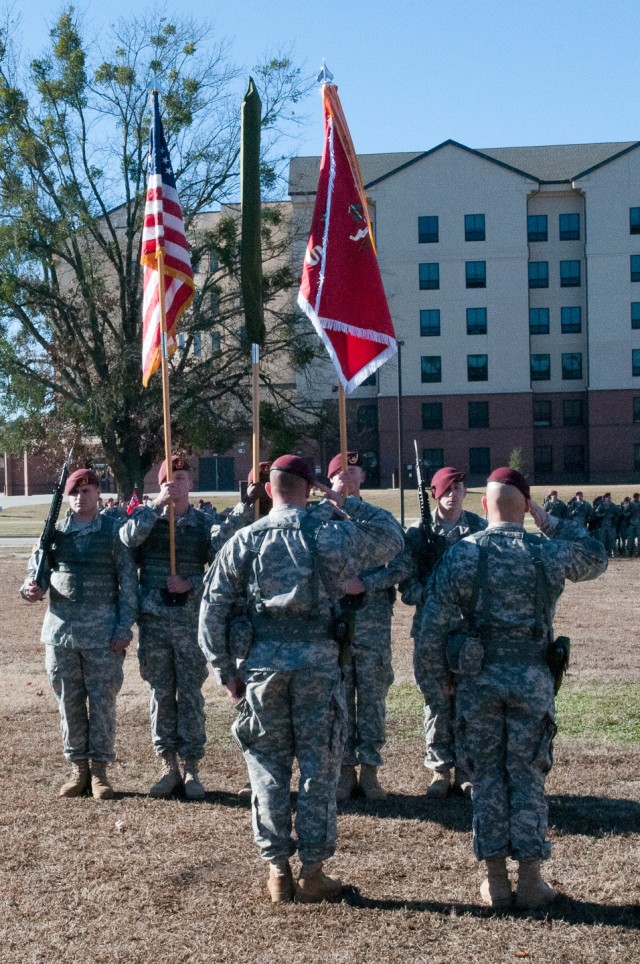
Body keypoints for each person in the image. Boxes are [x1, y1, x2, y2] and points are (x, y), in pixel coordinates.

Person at [198, 455, 404, 903]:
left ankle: (276, 869)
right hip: (317, 663)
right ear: (309, 488)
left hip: (262, 666)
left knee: (267, 767)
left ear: (269, 490)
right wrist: (344, 500)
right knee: (318, 766)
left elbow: (211, 607)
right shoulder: (329, 534)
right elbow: (391, 538)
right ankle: (312, 870)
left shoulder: (244, 540)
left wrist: (224, 670)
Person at [415, 467, 607, 909]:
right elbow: (595, 555)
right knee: (526, 775)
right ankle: (532, 879)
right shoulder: (548, 552)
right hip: (531, 680)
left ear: (484, 506)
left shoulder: (462, 554)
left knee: (485, 778)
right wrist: (549, 519)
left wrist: (438, 685)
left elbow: (431, 629)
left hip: (476, 683)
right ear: (527, 506)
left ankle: (497, 881)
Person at [119, 454, 256, 800]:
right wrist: (156, 505)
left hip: (189, 622)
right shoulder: (148, 519)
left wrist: (192, 583)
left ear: (191, 484)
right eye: (169, 479)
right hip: (154, 622)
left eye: (182, 479)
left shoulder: (202, 522)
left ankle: (193, 767)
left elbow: (220, 560)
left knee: (191, 696)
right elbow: (126, 539)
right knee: (161, 694)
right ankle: (168, 766)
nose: (176, 484)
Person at [20, 468, 138, 799]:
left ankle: (100, 772)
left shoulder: (115, 533)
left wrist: (123, 628)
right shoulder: (53, 534)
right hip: (61, 636)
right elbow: (36, 576)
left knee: (102, 704)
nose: (79, 497)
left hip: (103, 637)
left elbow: (128, 585)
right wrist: (30, 589)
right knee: (69, 705)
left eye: (86, 491)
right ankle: (78, 769)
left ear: (98, 494)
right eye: (74, 492)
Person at [400, 466, 486, 798]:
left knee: (468, 698)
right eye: (447, 489)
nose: (453, 494)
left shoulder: (479, 529)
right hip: (430, 631)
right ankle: (439, 769)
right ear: (435, 493)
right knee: (437, 699)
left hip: (468, 630)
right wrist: (430, 596)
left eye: (459, 488)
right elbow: (405, 583)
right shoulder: (417, 534)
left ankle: (466, 770)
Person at [326, 451, 406, 803]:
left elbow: (403, 564)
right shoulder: (321, 520)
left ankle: (370, 771)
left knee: (372, 697)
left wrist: (368, 583)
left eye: (353, 471)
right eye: (340, 473)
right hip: (334, 620)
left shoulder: (379, 520)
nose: (347, 477)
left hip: (372, 620)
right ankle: (344, 770)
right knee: (339, 697)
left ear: (362, 478)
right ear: (329, 480)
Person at [593, 492, 619, 557]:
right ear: (605, 498)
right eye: (607, 498)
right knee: (603, 540)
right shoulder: (602, 505)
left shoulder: (613, 505)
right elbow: (596, 513)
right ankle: (603, 553)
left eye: (610, 497)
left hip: (611, 524)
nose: (609, 499)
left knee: (612, 539)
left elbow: (619, 512)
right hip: (603, 525)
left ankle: (615, 552)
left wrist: (614, 517)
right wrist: (602, 515)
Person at [624, 492, 640, 556]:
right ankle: (630, 551)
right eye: (636, 497)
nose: (637, 498)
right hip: (632, 523)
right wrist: (629, 514)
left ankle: (638, 552)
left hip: (638, 523)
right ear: (634, 498)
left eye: (638, 497)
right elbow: (625, 512)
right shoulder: (630, 504)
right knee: (630, 538)